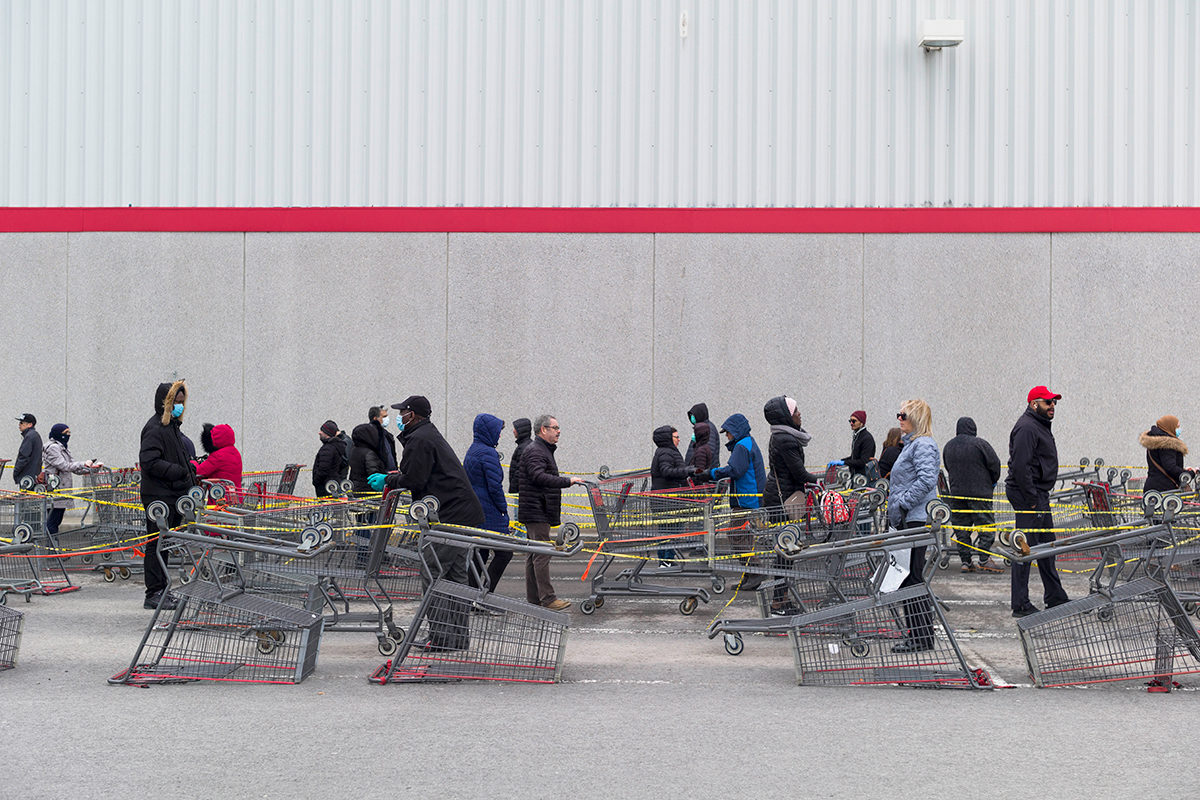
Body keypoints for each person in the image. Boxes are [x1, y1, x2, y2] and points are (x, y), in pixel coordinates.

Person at [370, 395, 484, 650]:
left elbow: (415, 479)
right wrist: (396, 476)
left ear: (414, 415)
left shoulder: (419, 439)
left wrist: (388, 482)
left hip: (449, 514)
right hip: (461, 513)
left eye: (403, 413)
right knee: (454, 576)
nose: (399, 417)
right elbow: (419, 473)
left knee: (432, 571)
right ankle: (457, 637)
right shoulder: (426, 435)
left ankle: (442, 638)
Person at [1007, 386, 1070, 618]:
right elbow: (1021, 466)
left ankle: (1055, 596)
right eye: (1047, 403)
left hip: (1037, 495)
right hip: (1029, 496)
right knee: (1024, 549)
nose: (1052, 406)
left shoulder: (1038, 425)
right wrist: (1032, 500)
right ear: (1035, 404)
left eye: (1054, 403)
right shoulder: (1027, 428)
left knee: (1046, 546)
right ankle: (1020, 604)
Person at [886, 399, 940, 653]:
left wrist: (903, 503)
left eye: (903, 415)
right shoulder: (913, 445)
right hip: (910, 517)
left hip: (916, 518)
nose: (899, 419)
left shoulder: (923, 444)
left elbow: (927, 478)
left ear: (916, 418)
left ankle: (920, 637)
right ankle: (919, 635)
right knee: (909, 578)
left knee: (912, 578)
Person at [518, 415, 587, 611]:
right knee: (542, 554)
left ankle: (534, 599)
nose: (558, 431)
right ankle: (548, 599)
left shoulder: (540, 449)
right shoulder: (536, 451)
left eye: (558, 427)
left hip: (536, 508)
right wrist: (568, 481)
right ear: (543, 430)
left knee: (534, 554)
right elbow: (538, 476)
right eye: (555, 427)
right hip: (536, 509)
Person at [139, 380, 195, 610]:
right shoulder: (155, 428)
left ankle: (162, 589)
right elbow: (149, 461)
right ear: (166, 403)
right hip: (159, 497)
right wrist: (179, 472)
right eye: (176, 402)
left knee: (164, 545)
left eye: (182, 402)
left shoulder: (171, 427)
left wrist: (189, 470)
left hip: (171, 495)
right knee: (156, 545)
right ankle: (154, 592)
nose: (180, 406)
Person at [706, 413, 766, 591]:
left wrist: (711, 473)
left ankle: (755, 571)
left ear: (736, 431)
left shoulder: (742, 446)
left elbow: (735, 470)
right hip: (750, 498)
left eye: (728, 433)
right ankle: (749, 575)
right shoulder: (747, 442)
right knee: (745, 538)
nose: (727, 436)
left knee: (736, 536)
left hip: (746, 500)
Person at [942, 416, 1002, 573]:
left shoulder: (948, 446)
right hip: (980, 494)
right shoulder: (980, 444)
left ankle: (966, 561)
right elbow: (995, 464)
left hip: (957, 494)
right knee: (985, 526)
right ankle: (984, 558)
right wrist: (992, 481)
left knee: (962, 528)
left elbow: (948, 467)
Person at [463, 413, 513, 592]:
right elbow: (494, 487)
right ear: (489, 431)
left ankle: (471, 596)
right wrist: (503, 508)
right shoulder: (488, 453)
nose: (499, 435)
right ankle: (486, 593)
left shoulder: (474, 449)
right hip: (489, 512)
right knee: (504, 553)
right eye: (498, 431)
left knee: (480, 553)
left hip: (476, 510)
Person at [42, 423, 102, 538]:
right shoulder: (53, 447)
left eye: (69, 432)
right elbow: (64, 466)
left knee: (55, 520)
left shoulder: (62, 447)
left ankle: (54, 550)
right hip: (55, 490)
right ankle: (53, 551)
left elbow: (73, 468)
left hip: (62, 489)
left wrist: (91, 468)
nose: (69, 435)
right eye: (66, 433)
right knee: (53, 522)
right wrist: (83, 464)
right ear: (58, 434)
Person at [761, 396, 817, 518]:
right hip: (785, 499)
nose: (799, 413)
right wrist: (817, 480)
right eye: (795, 411)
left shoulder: (780, 436)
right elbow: (799, 473)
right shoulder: (786, 440)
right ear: (787, 416)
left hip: (780, 494)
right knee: (787, 534)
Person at [650, 425, 692, 563]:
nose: (679, 440)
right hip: (666, 501)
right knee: (668, 531)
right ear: (669, 438)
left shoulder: (667, 452)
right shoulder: (666, 453)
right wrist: (687, 471)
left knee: (669, 531)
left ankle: (667, 559)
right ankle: (666, 560)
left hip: (669, 501)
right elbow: (666, 471)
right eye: (676, 437)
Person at [1140, 415, 1190, 492]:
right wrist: (1189, 473)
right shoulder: (1167, 445)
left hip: (1152, 487)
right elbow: (1170, 467)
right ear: (1170, 427)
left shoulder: (1155, 442)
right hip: (1165, 489)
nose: (1179, 430)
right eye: (1177, 427)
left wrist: (1182, 470)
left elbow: (1162, 464)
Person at [193, 423, 243, 498]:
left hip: (220, 498)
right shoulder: (235, 452)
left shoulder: (218, 456)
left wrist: (192, 462)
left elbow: (199, 471)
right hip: (236, 496)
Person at [312, 420, 351, 497]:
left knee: (326, 507)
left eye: (322, 431)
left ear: (327, 433)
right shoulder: (336, 446)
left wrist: (316, 481)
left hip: (326, 487)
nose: (319, 432)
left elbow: (323, 469)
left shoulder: (328, 449)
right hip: (333, 484)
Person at [834, 410, 876, 478]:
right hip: (855, 476)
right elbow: (855, 457)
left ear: (861, 423)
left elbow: (863, 461)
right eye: (850, 421)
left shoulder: (867, 438)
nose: (851, 423)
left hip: (863, 478)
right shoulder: (857, 436)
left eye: (854, 421)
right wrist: (841, 461)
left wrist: (844, 463)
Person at [348, 422, 386, 496]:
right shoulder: (369, 453)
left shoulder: (354, 450)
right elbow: (374, 475)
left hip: (356, 489)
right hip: (369, 491)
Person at [684, 402, 721, 468]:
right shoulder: (700, 428)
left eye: (693, 416)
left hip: (701, 470)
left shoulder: (707, 429)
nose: (692, 418)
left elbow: (708, 451)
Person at [508, 417, 533, 501]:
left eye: (515, 428)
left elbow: (519, 471)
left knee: (518, 514)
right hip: (523, 490)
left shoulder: (523, 448)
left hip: (521, 491)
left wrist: (514, 489)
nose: (513, 431)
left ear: (521, 431)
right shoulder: (525, 445)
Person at [13, 413, 41, 486]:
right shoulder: (34, 435)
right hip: (33, 476)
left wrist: (16, 472)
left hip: (27, 478)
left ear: (30, 424)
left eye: (22, 423)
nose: (19, 425)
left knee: (26, 497)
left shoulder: (29, 436)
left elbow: (23, 457)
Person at [369, 405, 397, 472]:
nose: (387, 419)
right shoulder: (369, 435)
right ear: (375, 419)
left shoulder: (387, 435)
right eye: (384, 417)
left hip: (391, 475)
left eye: (387, 416)